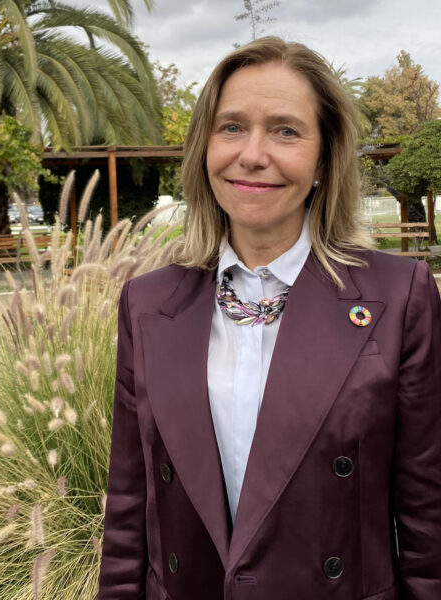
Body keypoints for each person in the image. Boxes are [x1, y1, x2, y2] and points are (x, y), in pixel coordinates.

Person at [98, 37, 441, 600]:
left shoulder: (399, 297)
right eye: (231, 127)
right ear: (203, 146)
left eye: (285, 130)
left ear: (325, 159)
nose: (252, 154)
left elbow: (429, 513)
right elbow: (130, 504)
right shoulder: (147, 305)